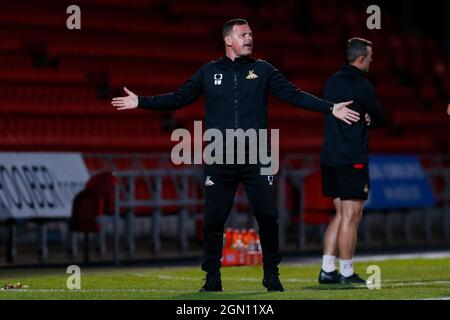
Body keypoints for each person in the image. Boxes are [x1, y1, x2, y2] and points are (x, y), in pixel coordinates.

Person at [112, 19, 360, 292]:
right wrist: (141, 102)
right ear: (228, 40)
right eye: (243, 34)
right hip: (220, 155)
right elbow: (179, 97)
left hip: (257, 154)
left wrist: (330, 108)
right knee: (214, 219)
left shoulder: (263, 70)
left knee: (267, 215)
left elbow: (294, 95)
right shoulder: (209, 72)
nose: (249, 38)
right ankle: (212, 278)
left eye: (251, 34)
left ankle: (271, 274)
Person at [318, 38, 384, 285]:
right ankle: (346, 272)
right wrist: (370, 118)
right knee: (351, 216)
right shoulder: (361, 84)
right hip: (352, 157)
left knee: (339, 214)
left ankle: (327, 269)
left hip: (330, 157)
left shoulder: (331, 81)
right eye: (370, 55)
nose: (372, 59)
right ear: (361, 59)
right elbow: (381, 116)